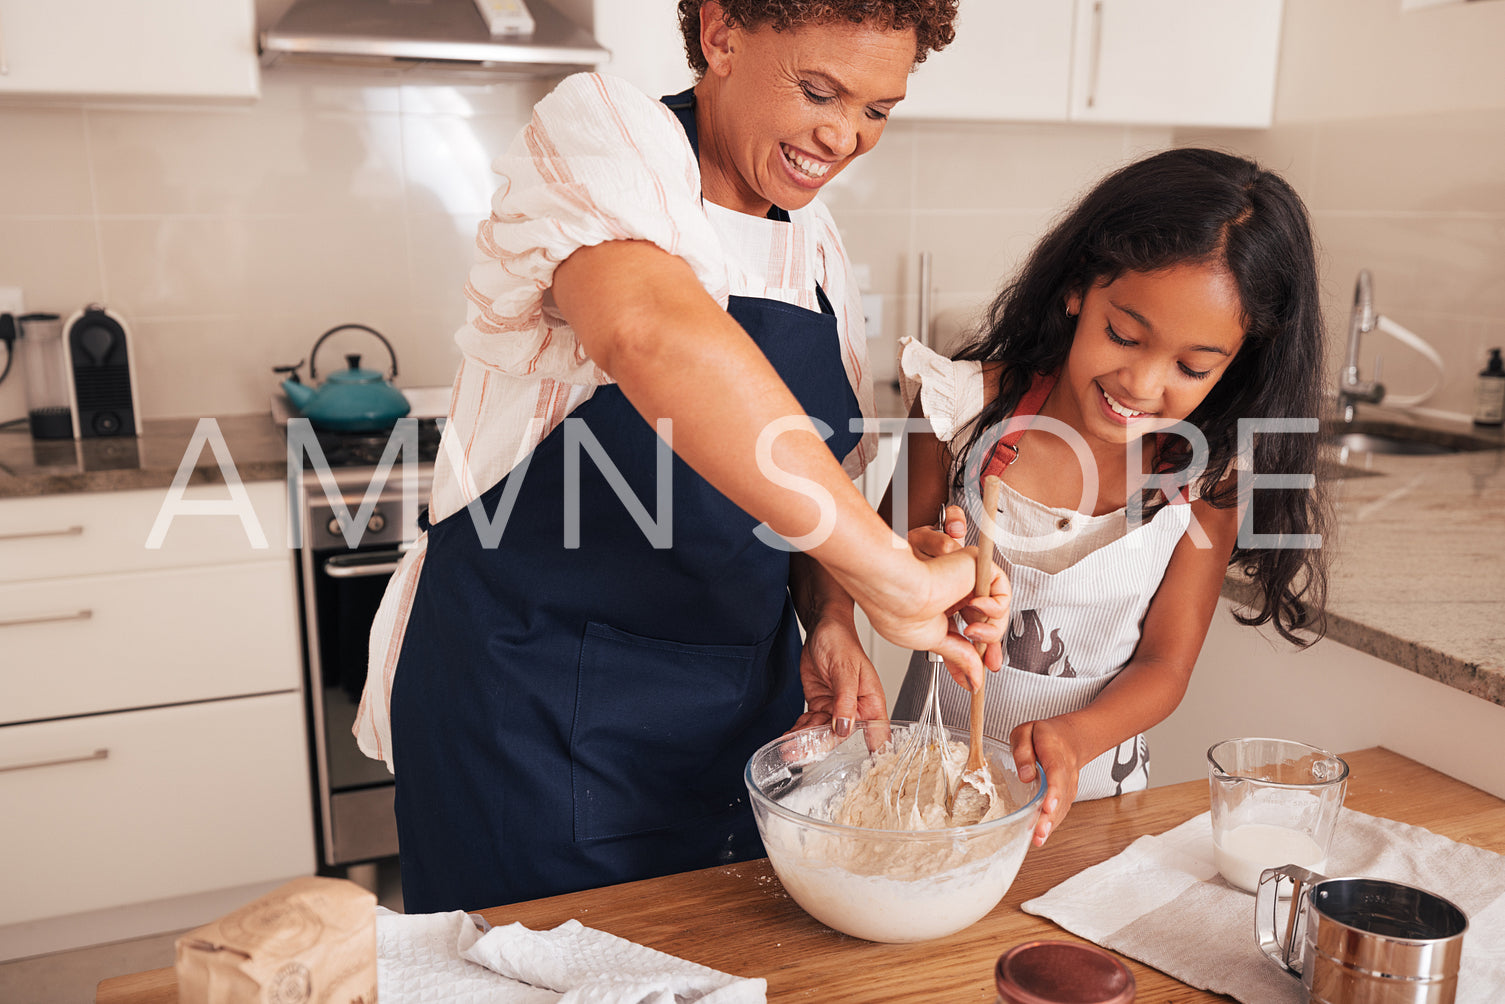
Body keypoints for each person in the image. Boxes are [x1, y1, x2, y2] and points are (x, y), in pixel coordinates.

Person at [352, 0, 1009, 913]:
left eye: (876, 110)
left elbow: (816, 481)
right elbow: (652, 334)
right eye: (818, 90)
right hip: (529, 713)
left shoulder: (816, 251)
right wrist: (891, 577)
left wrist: (832, 616)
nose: (845, 135)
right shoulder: (607, 133)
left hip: (731, 719)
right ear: (720, 34)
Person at [888, 147, 1331, 848]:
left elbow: (1164, 664)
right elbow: (888, 569)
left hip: (1097, 805)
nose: (1142, 384)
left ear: (1237, 362)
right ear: (1076, 290)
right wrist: (920, 565)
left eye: (1191, 366)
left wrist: (1071, 739)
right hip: (922, 796)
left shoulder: (1206, 475)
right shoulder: (956, 415)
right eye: (1123, 334)